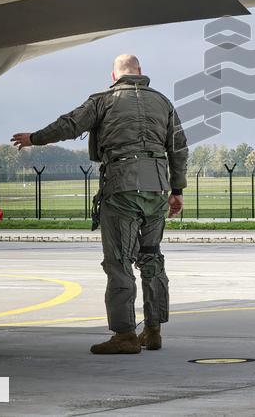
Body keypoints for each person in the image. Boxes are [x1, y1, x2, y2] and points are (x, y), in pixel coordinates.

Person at [11, 54, 187, 354]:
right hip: (157, 189)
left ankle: (125, 335)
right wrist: (177, 189)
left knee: (119, 262)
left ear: (114, 76)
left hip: (121, 188)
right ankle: (154, 331)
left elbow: (69, 124)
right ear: (141, 72)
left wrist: (35, 138)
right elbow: (179, 148)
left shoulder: (103, 100)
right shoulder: (163, 103)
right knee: (152, 257)